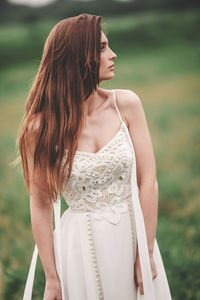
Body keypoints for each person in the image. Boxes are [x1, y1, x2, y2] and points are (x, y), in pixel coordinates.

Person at [16, 13, 172, 300]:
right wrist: (52, 278)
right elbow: (39, 203)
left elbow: (148, 181)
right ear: (78, 56)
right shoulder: (39, 128)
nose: (113, 55)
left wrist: (145, 253)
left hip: (132, 237)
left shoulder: (126, 104)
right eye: (101, 47)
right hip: (79, 250)